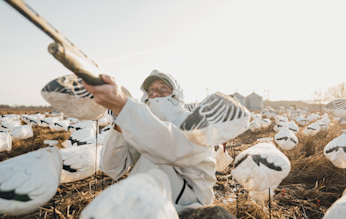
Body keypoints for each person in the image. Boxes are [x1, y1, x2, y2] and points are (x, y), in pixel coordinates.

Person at [82, 69, 249, 214]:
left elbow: (171, 147)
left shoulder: (192, 124)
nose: (156, 93)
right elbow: (111, 167)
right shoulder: (141, 127)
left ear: (176, 94)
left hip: (188, 210)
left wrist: (124, 106)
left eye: (163, 88)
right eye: (151, 90)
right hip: (146, 208)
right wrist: (119, 127)